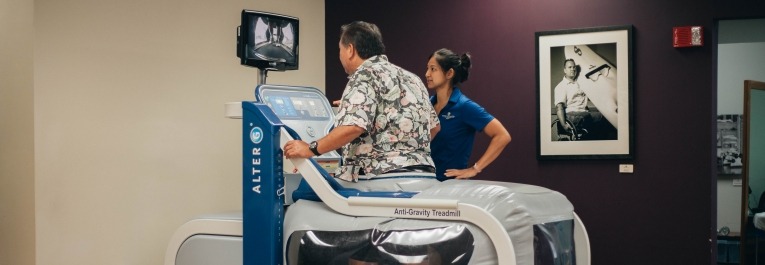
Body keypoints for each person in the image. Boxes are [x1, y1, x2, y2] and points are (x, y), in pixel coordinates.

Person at [284, 21, 440, 184]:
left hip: (381, 177)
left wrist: (310, 149)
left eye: (340, 49)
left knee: (302, 192)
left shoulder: (364, 75)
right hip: (424, 177)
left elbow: (353, 127)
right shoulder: (412, 79)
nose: (340, 55)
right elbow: (434, 127)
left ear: (350, 50)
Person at [426, 48, 511, 181]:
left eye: (433, 69)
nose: (427, 74)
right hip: (426, 185)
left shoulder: (464, 106)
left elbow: (503, 136)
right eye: (427, 69)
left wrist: (474, 169)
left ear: (449, 73)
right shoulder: (427, 105)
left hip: (451, 188)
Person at [553, 58, 616, 141]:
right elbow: (559, 107)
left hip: (585, 113)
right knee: (592, 119)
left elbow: (591, 97)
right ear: (565, 70)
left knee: (607, 118)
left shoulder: (581, 84)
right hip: (572, 115)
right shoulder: (561, 87)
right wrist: (564, 124)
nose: (573, 69)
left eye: (574, 67)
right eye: (570, 67)